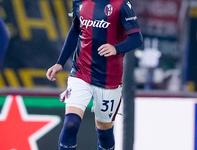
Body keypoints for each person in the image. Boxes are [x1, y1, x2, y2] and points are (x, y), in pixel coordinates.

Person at [46, 0, 143, 149]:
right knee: (71, 124)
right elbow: (75, 31)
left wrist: (116, 48)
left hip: (109, 79)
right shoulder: (79, 2)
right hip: (80, 72)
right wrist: (60, 63)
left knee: (104, 132)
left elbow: (137, 38)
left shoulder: (121, 4)